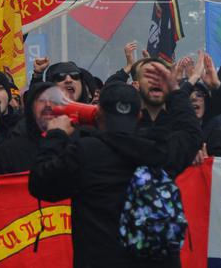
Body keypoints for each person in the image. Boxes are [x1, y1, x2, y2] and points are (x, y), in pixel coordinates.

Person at [29, 74, 197, 268]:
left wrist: (55, 135)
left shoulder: (86, 151)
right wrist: (175, 91)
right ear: (139, 115)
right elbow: (190, 133)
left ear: (97, 113)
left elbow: (40, 184)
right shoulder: (161, 148)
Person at [0, 83, 64, 175]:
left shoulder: (75, 144)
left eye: (53, 100)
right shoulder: (9, 151)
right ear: (31, 108)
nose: (48, 105)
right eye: (41, 100)